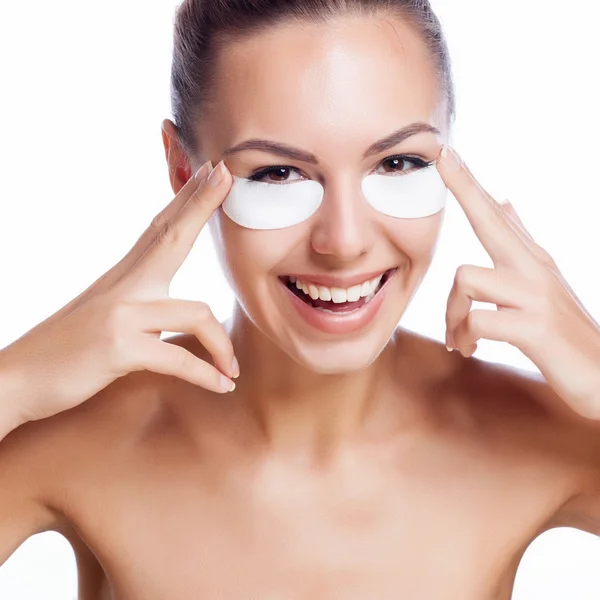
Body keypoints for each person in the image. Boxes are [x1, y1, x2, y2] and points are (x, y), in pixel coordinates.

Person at [1, 0, 600, 597]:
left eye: (398, 161)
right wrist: (15, 382)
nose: (344, 242)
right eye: (278, 174)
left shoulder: (539, 441)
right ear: (185, 173)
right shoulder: (82, 441)